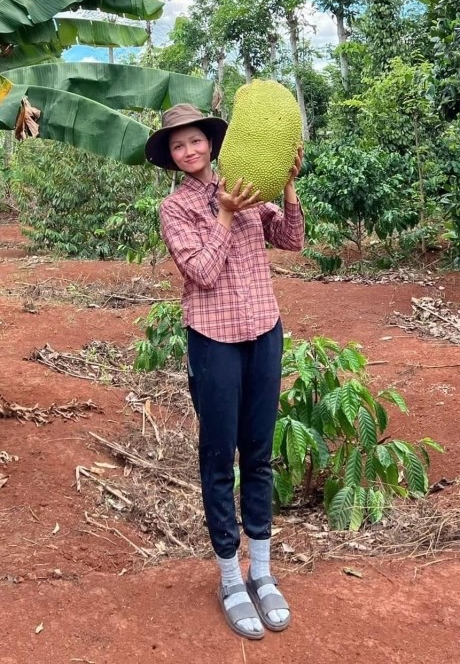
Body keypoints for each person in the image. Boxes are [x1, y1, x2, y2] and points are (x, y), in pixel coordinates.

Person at [145, 103, 304, 640]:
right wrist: (227, 214)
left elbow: (290, 240)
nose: (189, 151)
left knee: (258, 453)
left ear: (211, 143)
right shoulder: (175, 210)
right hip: (213, 339)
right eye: (177, 145)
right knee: (219, 457)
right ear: (170, 157)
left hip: (264, 330)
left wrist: (283, 188)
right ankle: (230, 578)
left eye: (195, 141)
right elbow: (203, 273)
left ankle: (262, 571)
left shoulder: (244, 183)